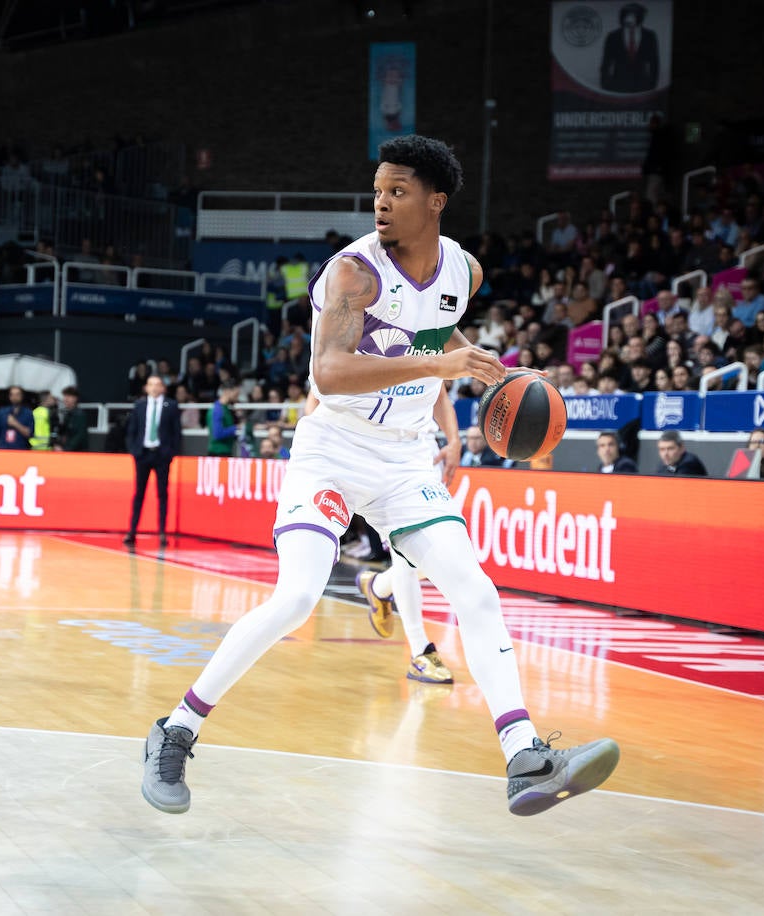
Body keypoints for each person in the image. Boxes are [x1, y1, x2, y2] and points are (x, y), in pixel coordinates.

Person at [140, 135, 619, 820]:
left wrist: (467, 356)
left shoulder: (465, 272)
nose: (382, 204)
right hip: (333, 450)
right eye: (377, 191)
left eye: (397, 191)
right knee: (298, 597)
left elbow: (428, 329)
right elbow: (328, 374)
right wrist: (436, 366)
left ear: (436, 200)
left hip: (403, 460)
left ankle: (525, 757)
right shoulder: (352, 274)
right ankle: (175, 732)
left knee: (476, 591)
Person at [358, 386, 461, 685]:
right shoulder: (356, 341)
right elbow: (319, 396)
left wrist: (454, 440)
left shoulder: (426, 341)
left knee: (436, 556)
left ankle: (379, 585)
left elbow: (439, 390)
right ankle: (420, 651)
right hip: (377, 451)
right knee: (405, 555)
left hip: (424, 449)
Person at [123, 374, 180, 549]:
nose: (154, 388)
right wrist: (134, 450)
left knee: (162, 494)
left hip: (161, 455)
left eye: (157, 384)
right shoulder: (139, 405)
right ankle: (132, 531)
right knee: (139, 493)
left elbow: (176, 432)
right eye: (151, 384)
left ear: (163, 388)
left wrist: (170, 453)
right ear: (146, 388)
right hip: (143, 454)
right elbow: (132, 429)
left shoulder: (171, 406)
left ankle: (162, 532)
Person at [0, 385, 33, 449]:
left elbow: (29, 433)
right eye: (12, 394)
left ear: (22, 396)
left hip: (21, 450)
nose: (15, 397)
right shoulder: (2, 412)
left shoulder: (28, 413)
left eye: (17, 394)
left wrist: (15, 424)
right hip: (4, 449)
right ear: (9, 396)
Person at [206, 382, 242, 456]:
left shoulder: (226, 409)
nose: (237, 397)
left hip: (225, 451)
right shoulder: (217, 410)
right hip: (218, 453)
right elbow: (218, 433)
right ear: (227, 391)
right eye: (236, 394)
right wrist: (236, 428)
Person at [57, 385, 90, 452]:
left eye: (68, 396)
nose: (65, 399)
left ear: (75, 398)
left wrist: (66, 449)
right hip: (68, 451)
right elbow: (65, 434)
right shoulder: (67, 414)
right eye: (65, 396)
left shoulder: (80, 415)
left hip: (78, 453)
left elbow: (79, 435)